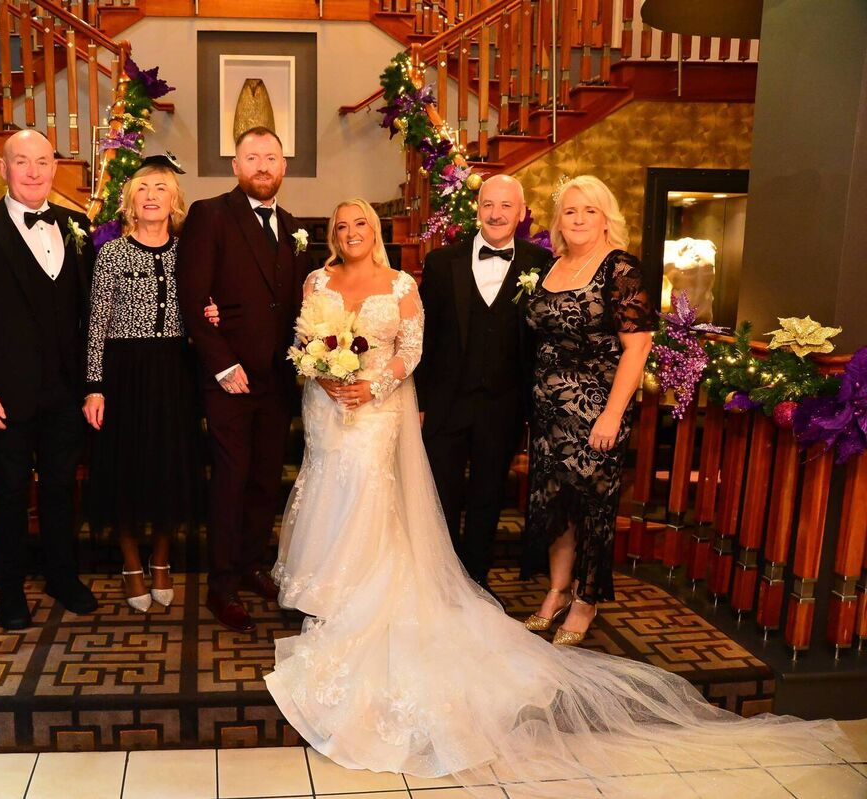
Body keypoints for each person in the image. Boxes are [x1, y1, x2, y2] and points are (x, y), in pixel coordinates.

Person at [265, 197, 840, 797]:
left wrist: (374, 382)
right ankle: (331, 584)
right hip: (379, 408)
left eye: (507, 206)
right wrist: (329, 374)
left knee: (458, 501)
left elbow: (417, 346)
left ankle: (496, 585)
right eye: (342, 224)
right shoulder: (402, 269)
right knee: (349, 489)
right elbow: (353, 340)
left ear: (520, 215)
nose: (352, 232)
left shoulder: (513, 267)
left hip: (473, 405)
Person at [0, 129, 98, 631]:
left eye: (43, 161)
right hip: (3, 394)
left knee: (59, 489)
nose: (33, 171)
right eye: (22, 161)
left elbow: (90, 313)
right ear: (3, 169)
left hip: (66, 391)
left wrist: (91, 383)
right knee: (8, 492)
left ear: (54, 168)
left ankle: (61, 577)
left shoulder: (76, 226)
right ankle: (9, 591)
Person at [178, 126, 308, 633]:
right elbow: (194, 298)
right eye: (251, 157)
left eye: (270, 157)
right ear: (235, 166)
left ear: (283, 167)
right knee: (231, 480)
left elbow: (296, 303)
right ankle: (222, 583)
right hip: (229, 378)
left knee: (263, 479)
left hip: (277, 377)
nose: (261, 166)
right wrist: (223, 365)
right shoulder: (210, 215)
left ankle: (253, 563)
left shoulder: (294, 226)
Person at [521, 175, 653, 645]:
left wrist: (612, 415)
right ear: (559, 220)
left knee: (594, 507)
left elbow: (637, 348)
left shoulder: (619, 268)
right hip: (548, 412)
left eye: (589, 211)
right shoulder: (551, 267)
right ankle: (556, 590)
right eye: (570, 211)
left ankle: (586, 599)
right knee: (556, 502)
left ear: (605, 219)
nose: (578, 219)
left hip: (595, 408)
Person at [414, 175, 552, 598]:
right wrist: (418, 400)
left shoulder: (540, 265)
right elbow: (423, 335)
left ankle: (476, 580)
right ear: (477, 208)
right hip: (445, 402)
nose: (496, 213)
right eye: (488, 204)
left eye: (506, 206)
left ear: (522, 212)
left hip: (504, 403)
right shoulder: (441, 263)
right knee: (442, 494)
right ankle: (441, 580)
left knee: (489, 495)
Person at [82, 155, 203, 612]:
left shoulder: (188, 250)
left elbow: (202, 303)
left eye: (161, 188)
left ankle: (162, 561)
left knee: (170, 467)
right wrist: (95, 385)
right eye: (144, 188)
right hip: (124, 370)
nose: (152, 195)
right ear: (130, 200)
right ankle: (131, 563)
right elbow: (97, 323)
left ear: (174, 200)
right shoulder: (112, 252)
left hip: (175, 369)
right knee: (127, 469)